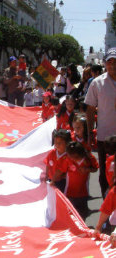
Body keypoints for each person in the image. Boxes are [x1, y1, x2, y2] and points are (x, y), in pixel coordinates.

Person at [85, 47, 116, 199]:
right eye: (109, 62)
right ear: (105, 64)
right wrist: (90, 133)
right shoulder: (97, 83)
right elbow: (90, 109)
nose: (113, 65)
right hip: (105, 138)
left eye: (115, 62)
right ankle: (106, 203)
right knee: (105, 172)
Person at [65, 141, 98, 220]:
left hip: (83, 192)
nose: (70, 157)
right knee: (71, 214)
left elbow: (95, 168)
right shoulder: (67, 159)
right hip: (70, 192)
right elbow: (61, 170)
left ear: (79, 154)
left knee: (83, 213)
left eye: (73, 156)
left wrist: (87, 169)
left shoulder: (89, 158)